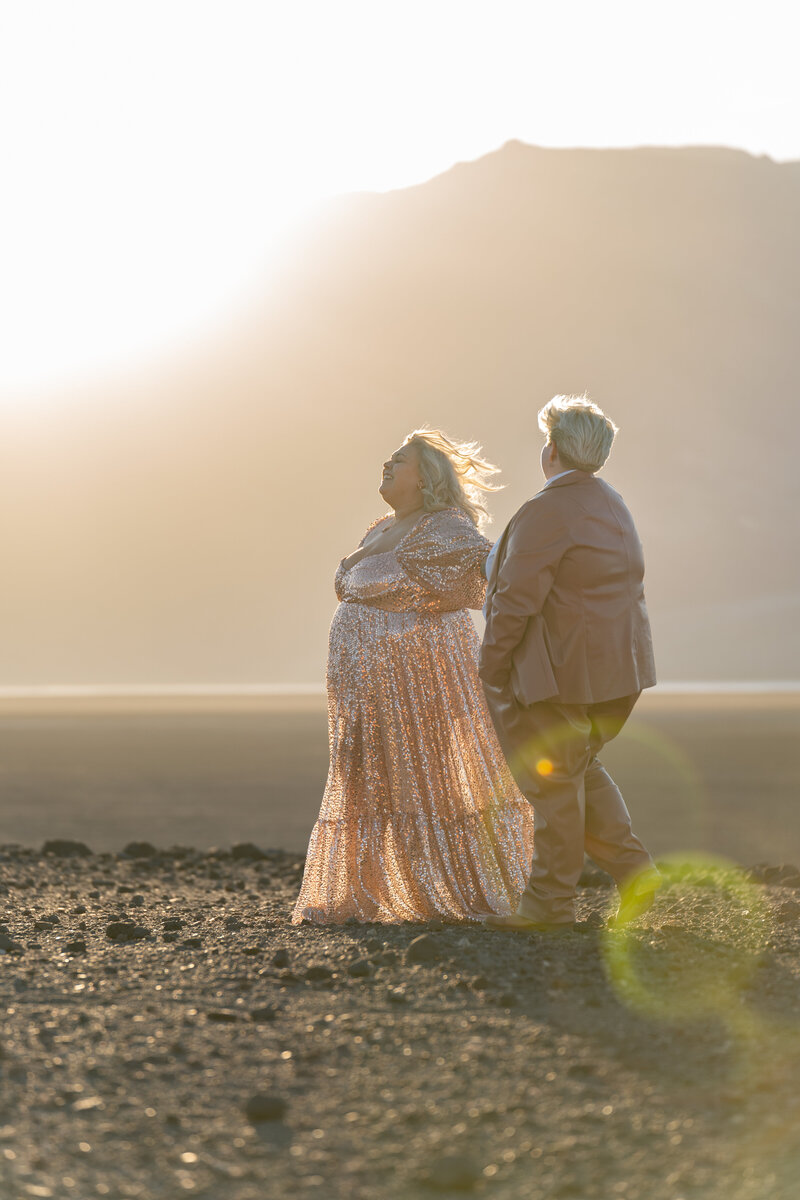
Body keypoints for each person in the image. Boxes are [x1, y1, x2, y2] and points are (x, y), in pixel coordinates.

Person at [292, 429, 534, 924]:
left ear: (425, 478)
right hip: (361, 688)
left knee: (424, 778)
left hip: (416, 684)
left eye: (399, 460)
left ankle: (444, 891)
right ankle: (363, 893)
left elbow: (492, 566)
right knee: (363, 777)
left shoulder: (444, 526)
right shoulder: (381, 525)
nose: (387, 463)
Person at [479, 395, 660, 931]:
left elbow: (516, 597)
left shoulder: (547, 510)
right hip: (617, 672)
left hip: (557, 674)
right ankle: (634, 871)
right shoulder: (612, 503)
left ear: (551, 450)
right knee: (578, 767)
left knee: (553, 782)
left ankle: (548, 905)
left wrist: (492, 664)